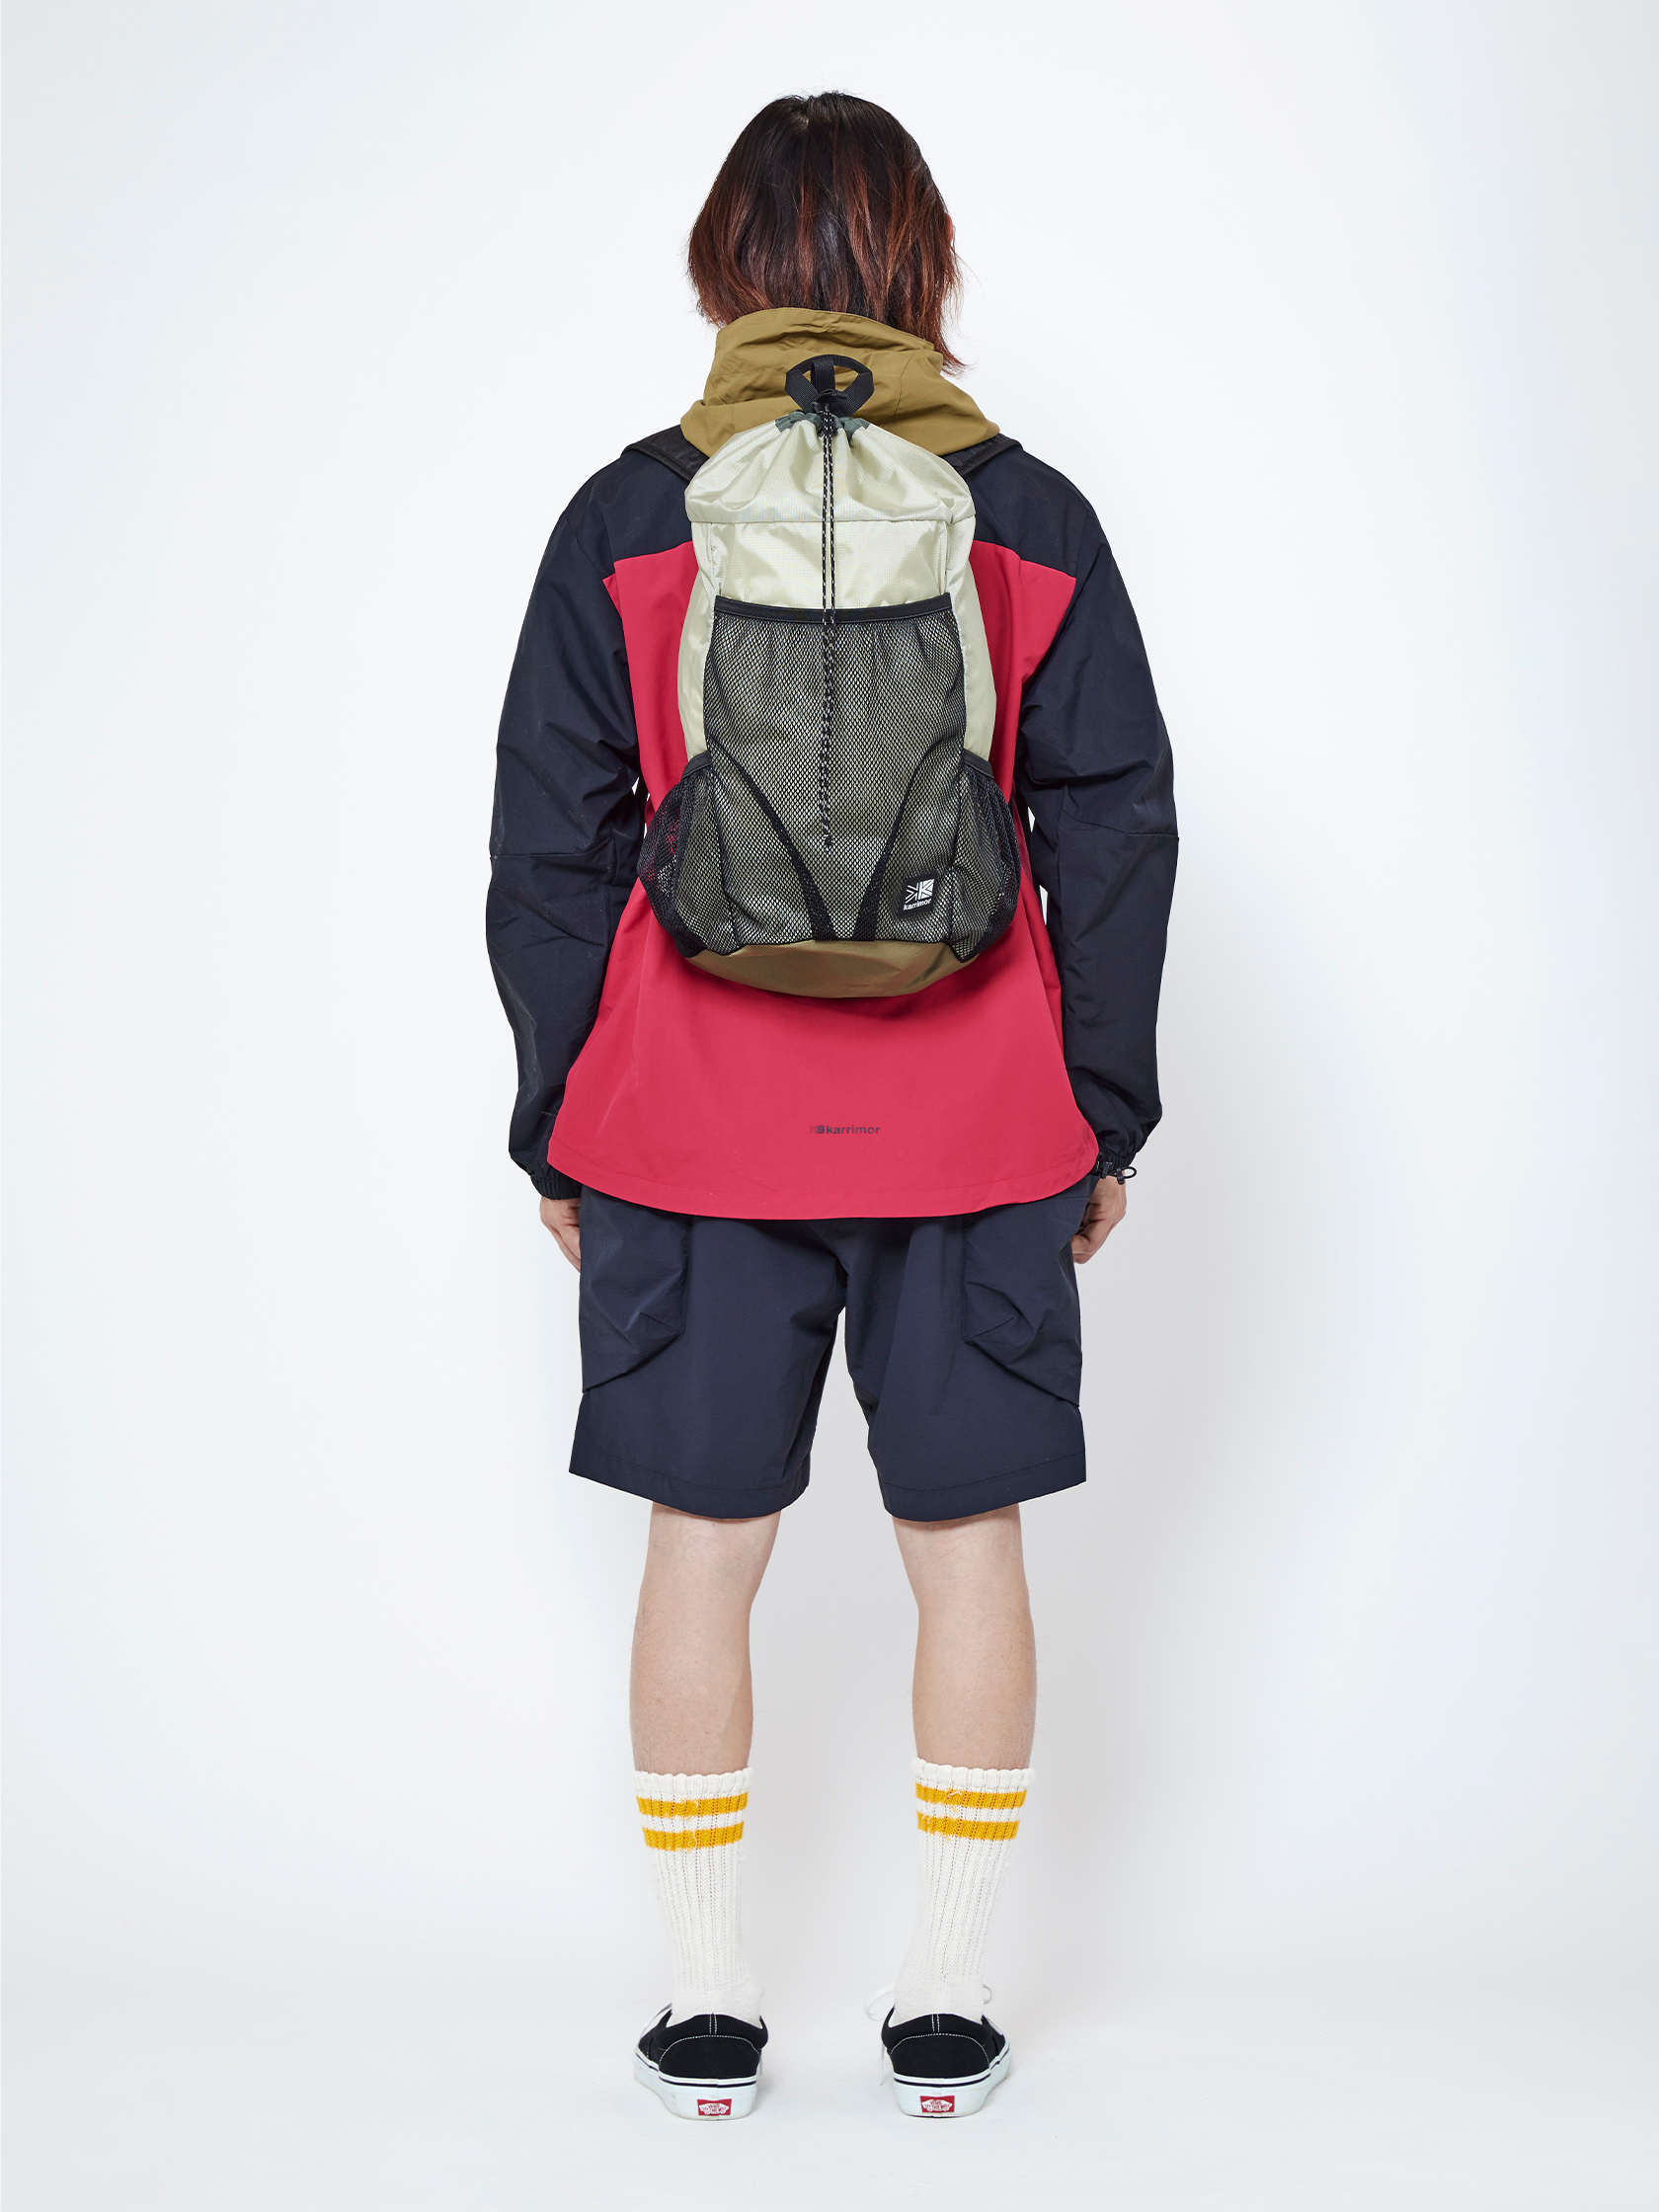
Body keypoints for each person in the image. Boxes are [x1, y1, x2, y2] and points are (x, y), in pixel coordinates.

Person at [486, 92, 1177, 2121]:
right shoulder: (1029, 514)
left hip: (687, 1130)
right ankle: (946, 2002)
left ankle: (708, 2007)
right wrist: (1101, 1110)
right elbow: (1114, 827)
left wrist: (559, 1118)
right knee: (965, 1546)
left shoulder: (629, 517)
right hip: (977, 1123)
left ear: (727, 264)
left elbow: (550, 846)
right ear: (921, 261)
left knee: (706, 1549)